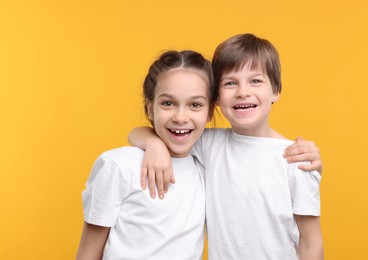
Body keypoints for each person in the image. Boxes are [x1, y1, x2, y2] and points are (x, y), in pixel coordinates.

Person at [128, 33, 323, 259]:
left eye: (256, 81)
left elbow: (311, 243)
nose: (242, 92)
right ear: (217, 98)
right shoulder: (211, 144)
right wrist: (154, 145)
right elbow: (138, 132)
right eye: (230, 83)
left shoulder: (296, 158)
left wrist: (316, 166)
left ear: (276, 91)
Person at [76, 50, 217, 259]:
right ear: (149, 108)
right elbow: (87, 253)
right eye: (167, 103)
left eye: (195, 105)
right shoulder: (119, 166)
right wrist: (153, 143)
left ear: (210, 112)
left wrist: (285, 149)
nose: (180, 117)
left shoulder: (208, 165)